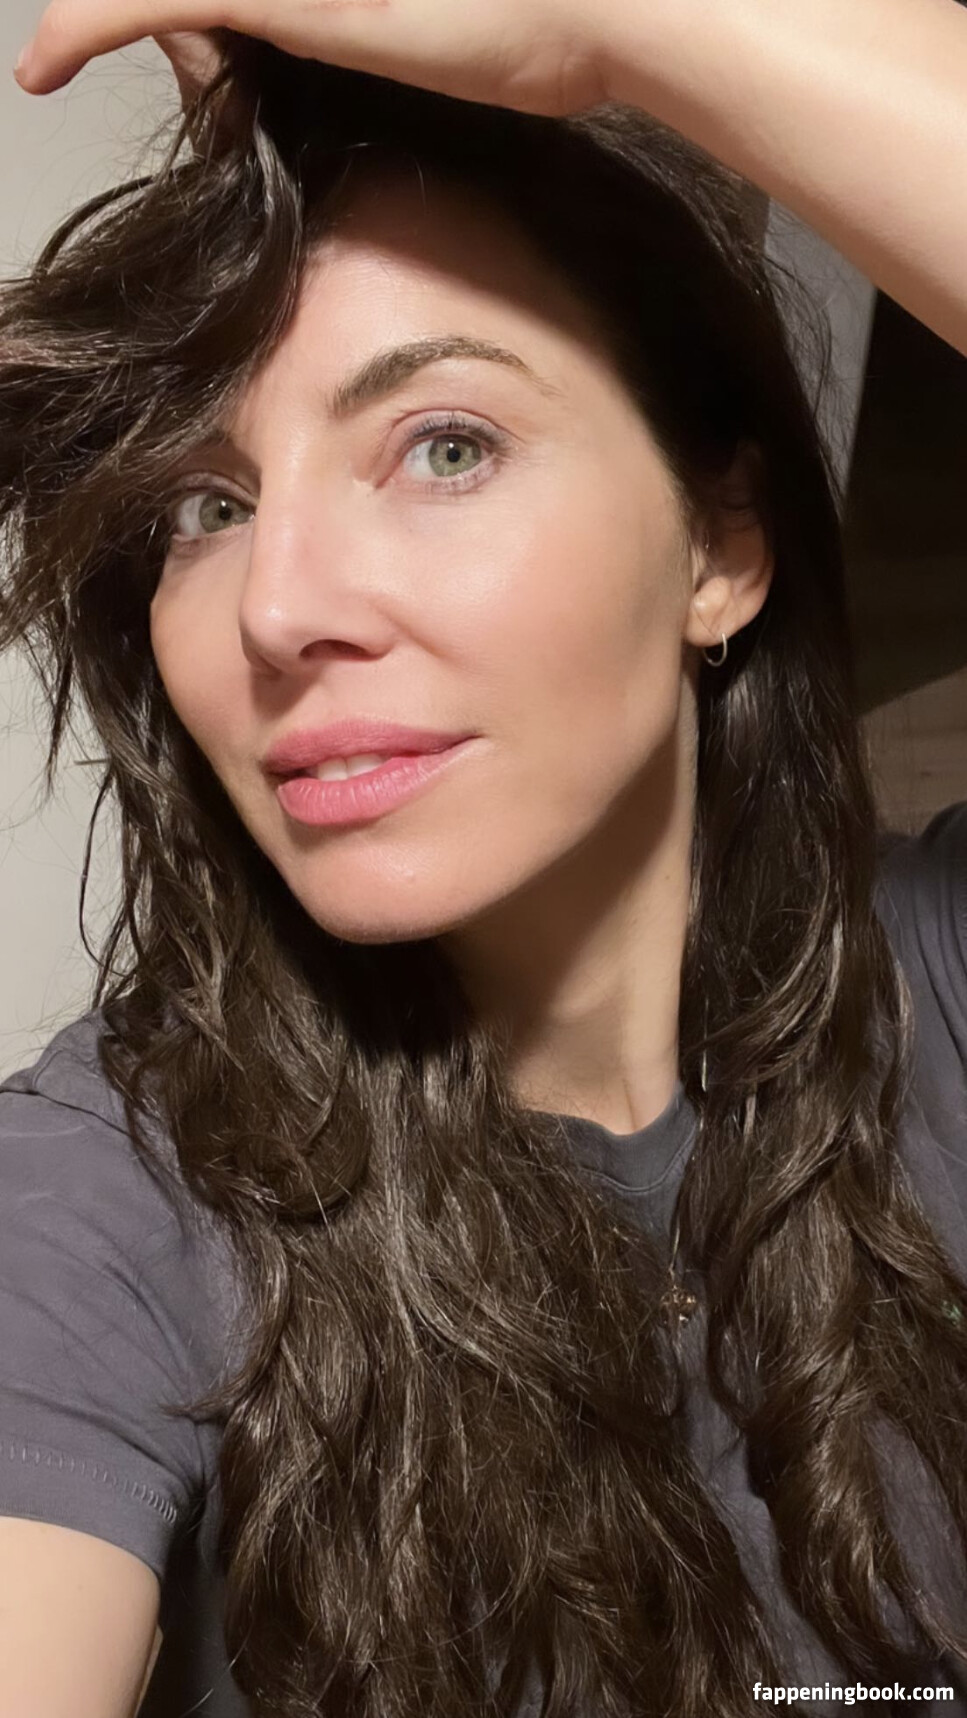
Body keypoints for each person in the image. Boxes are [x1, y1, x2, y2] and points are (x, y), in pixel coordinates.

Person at [1, 4, 966, 1716]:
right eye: (206, 505)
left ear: (721, 548)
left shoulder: (944, 995)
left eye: (444, 445)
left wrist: (622, 26)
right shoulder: (103, 1199)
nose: (279, 606)